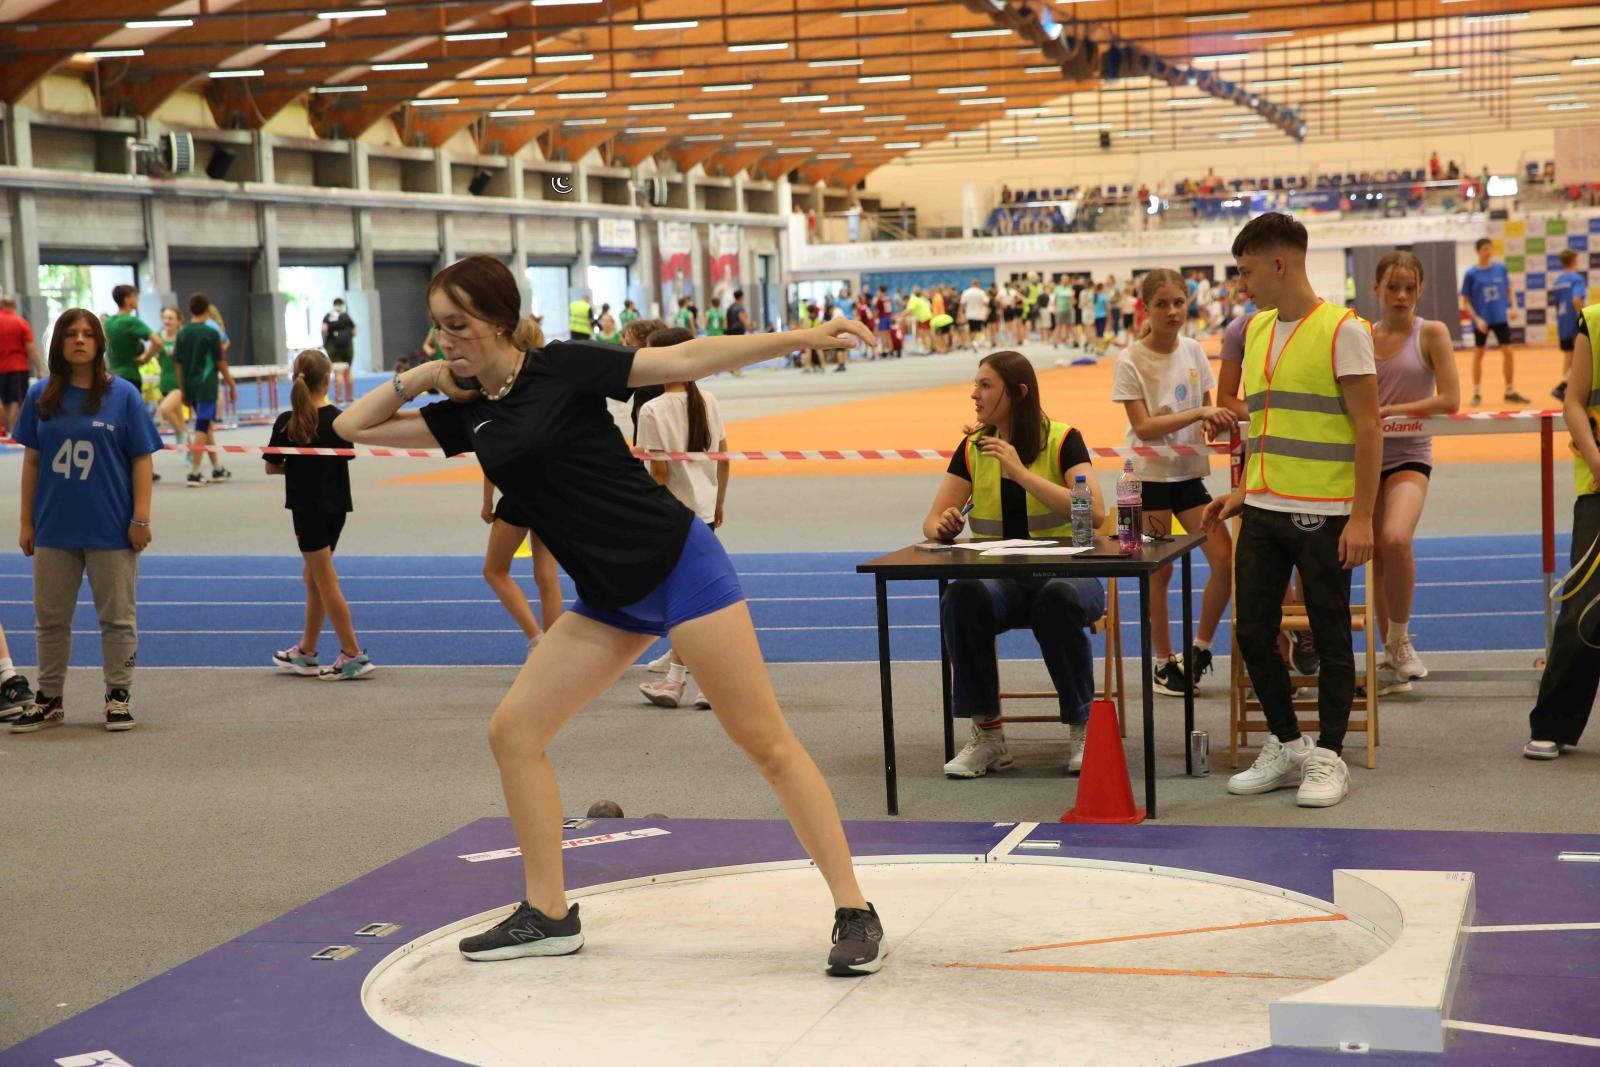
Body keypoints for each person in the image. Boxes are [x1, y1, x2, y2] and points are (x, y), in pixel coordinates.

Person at [331, 255, 885, 974]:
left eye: (458, 326)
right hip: (609, 599)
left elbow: (684, 356)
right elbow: (349, 424)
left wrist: (801, 336)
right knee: (514, 732)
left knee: (766, 743)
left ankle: (853, 907)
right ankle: (550, 911)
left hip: (680, 566)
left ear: (500, 320)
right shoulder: (472, 414)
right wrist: (423, 376)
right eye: (438, 327)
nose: (447, 340)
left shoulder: (560, 367)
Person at [1201, 212, 1380, 809]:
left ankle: (1329, 756)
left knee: (1329, 634)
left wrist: (1362, 515)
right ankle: (1287, 744)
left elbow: (1369, 427)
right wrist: (1243, 491)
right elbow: (1267, 424)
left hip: (1327, 513)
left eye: (1246, 270)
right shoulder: (1253, 330)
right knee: (1253, 631)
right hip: (1262, 506)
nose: (1241, 282)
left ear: (1279, 263)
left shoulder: (1344, 330)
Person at [923, 351, 1107, 779]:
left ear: (1018, 393)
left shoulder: (1064, 439)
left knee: (1056, 599)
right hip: (1002, 584)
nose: (975, 394)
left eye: (985, 385)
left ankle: (1083, 728)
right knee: (961, 595)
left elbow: (1095, 512)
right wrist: (944, 525)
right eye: (976, 384)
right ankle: (988, 736)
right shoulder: (972, 448)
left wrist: (1021, 473)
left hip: (1070, 577)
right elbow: (931, 520)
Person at [11, 308, 161, 734]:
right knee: (50, 618)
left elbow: (141, 460)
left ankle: (118, 694)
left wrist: (141, 518)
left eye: (87, 334)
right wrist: (27, 522)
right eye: (70, 334)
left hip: (111, 528)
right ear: (58, 343)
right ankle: (49, 697)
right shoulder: (42, 396)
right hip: (55, 528)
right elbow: (33, 463)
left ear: (99, 343)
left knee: (117, 618)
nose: (79, 340)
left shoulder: (124, 395)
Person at [1112, 269, 1234, 696]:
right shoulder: (1130, 360)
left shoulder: (1196, 351)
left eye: (1178, 303)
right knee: (1157, 575)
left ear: (1188, 304)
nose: (1172, 311)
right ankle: (1163, 663)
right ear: (1146, 308)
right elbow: (1144, 428)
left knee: (1225, 557)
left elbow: (1206, 412)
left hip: (1188, 476)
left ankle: (1200, 648)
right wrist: (1201, 414)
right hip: (1146, 480)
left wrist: (1216, 421)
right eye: (1162, 304)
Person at [1369, 251, 1459, 689]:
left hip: (1409, 455)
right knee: (1375, 557)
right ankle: (1389, 652)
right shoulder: (1361, 337)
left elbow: (1450, 399)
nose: (1401, 295)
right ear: (1376, 290)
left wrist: (1392, 410)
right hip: (1366, 459)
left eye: (1409, 287)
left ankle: (1402, 641)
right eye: (1392, 287)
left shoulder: (1432, 333)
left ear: (1420, 289)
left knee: (1396, 538)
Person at [635, 326, 729, 710]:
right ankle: (691, 681)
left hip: (672, 516)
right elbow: (723, 459)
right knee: (693, 598)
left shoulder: (653, 410)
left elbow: (658, 476)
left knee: (686, 602)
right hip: (704, 510)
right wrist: (719, 502)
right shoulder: (708, 400)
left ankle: (684, 681)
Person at [265, 349, 373, 681]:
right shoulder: (341, 420)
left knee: (325, 579)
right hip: (337, 508)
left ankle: (353, 653)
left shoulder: (288, 421)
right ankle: (306, 652)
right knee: (312, 577)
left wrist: (297, 468)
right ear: (328, 380)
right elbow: (344, 458)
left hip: (307, 509)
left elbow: (272, 467)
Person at [1524, 297, 1600, 759]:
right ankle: (1552, 724)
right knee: (1584, 611)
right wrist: (1596, 461)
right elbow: (1573, 401)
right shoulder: (1593, 320)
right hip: (1597, 486)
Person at [481, 471, 564, 654]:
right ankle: (553, 651)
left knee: (494, 571)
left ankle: (536, 640)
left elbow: (490, 458)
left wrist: (487, 501)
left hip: (519, 496)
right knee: (547, 576)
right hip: (552, 497)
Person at [172, 292, 236, 486]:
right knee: (201, 427)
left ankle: (217, 469)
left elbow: (178, 363)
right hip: (206, 385)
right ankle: (195, 472)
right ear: (208, 310)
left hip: (190, 385)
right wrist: (231, 384)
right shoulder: (211, 333)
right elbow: (220, 362)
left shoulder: (182, 332)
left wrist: (182, 389)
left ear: (190, 310)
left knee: (206, 426)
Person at [1460, 237, 1527, 406]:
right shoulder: (1471, 274)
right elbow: (1465, 301)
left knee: (1508, 352)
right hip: (1482, 320)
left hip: (1499, 317)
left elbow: (1509, 289)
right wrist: (1477, 319)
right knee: (1479, 354)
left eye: (1490, 249)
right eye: (1485, 249)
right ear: (1478, 251)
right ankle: (1476, 392)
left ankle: (1510, 391)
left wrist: (1513, 306)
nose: (1488, 252)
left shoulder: (1500, 268)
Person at [104, 285, 162, 393]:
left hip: (111, 376)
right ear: (127, 299)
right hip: (130, 376)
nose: (137, 299)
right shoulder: (131, 321)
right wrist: (146, 357)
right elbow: (158, 342)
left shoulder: (107, 322)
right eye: (135, 296)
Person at [0, 295, 43, 434]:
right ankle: (12, 431)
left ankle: (4, 430)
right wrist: (39, 369)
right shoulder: (21, 322)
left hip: (1, 368)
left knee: (3, 400)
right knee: (15, 400)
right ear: (14, 306)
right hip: (17, 367)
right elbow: (31, 348)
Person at [1552, 249, 1588, 402]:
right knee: (1582, 357)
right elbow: (1576, 300)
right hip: (1574, 320)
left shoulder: (1558, 281)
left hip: (1562, 320)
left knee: (1568, 356)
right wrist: (1582, 317)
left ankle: (1566, 391)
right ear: (1574, 261)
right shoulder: (1577, 279)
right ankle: (1563, 386)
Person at [321, 297, 357, 366]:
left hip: (333, 346)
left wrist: (324, 342)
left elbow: (324, 330)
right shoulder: (346, 316)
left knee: (338, 370)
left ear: (333, 305)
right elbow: (354, 332)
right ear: (342, 305)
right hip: (347, 346)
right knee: (347, 370)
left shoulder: (328, 316)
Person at [960, 278, 988, 351]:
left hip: (969, 314)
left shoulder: (966, 292)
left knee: (971, 330)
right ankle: (975, 342)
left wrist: (960, 314)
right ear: (978, 284)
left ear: (971, 284)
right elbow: (985, 303)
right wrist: (986, 313)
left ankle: (972, 342)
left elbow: (962, 304)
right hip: (979, 314)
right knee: (978, 330)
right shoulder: (981, 292)